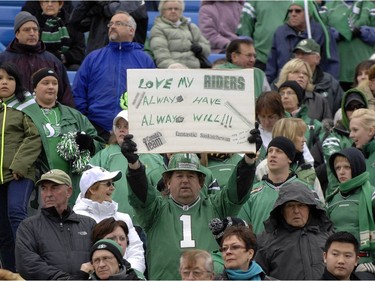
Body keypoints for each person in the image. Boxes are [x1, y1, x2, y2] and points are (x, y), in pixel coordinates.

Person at [121, 130, 261, 280]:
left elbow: (236, 191)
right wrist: (134, 164)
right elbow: (141, 194)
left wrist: (249, 159)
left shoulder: (216, 206)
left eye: (191, 176)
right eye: (179, 176)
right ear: (168, 182)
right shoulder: (156, 211)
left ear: (201, 183)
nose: (185, 180)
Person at [19, 68, 105, 206]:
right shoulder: (24, 115)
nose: (51, 87)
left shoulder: (74, 116)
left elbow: (100, 146)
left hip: (71, 184)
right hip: (37, 184)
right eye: (45, 83)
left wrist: (89, 143)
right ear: (34, 87)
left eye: (54, 83)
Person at [73, 11, 155, 142]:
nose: (112, 26)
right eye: (110, 24)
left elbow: (152, 96)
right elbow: (79, 93)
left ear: (131, 30)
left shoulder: (145, 60)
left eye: (118, 23)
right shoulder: (93, 58)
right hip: (96, 129)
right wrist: (86, 122)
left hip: (134, 130)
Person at [15, 169, 96, 280]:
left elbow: (103, 256)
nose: (48, 194)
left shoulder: (89, 224)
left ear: (69, 192)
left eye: (54, 188)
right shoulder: (28, 227)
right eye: (44, 188)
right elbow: (28, 265)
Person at [0, 62, 41, 272]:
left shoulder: (26, 106)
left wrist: (19, 165)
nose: (4, 82)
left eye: (10, 78)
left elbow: (34, 137)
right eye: (0, 78)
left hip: (19, 174)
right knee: (3, 231)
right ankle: (10, 273)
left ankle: (28, 267)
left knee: (16, 213)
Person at [90, 110, 165, 218]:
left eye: (126, 126)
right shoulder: (104, 155)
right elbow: (90, 185)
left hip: (144, 223)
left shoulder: (152, 157)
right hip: (112, 222)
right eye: (118, 126)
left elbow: (163, 192)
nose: (122, 129)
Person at [73, 165, 145, 273]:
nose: (112, 188)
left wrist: (129, 274)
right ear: (92, 189)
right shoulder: (76, 218)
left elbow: (136, 250)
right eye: (108, 184)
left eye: (113, 183)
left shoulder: (124, 218)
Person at [255, 181, 334, 280]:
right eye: (290, 206)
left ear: (310, 208)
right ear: (281, 210)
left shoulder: (329, 237)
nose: (296, 211)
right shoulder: (266, 242)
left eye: (301, 205)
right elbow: (257, 276)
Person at [238, 136, 316, 234]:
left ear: (290, 158)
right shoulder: (252, 192)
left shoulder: (305, 189)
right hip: (262, 248)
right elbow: (243, 231)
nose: (273, 155)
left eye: (279, 151)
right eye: (270, 151)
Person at [0, 11, 74, 107]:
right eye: (27, 30)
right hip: (11, 115)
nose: (32, 33)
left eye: (35, 30)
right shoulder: (3, 60)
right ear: (17, 34)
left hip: (46, 116)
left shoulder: (53, 61)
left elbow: (65, 95)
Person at [265, 1, 339, 84]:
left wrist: (328, 86)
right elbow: (271, 64)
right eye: (290, 11)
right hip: (284, 85)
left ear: (309, 13)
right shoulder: (280, 32)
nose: (293, 14)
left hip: (313, 85)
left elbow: (331, 64)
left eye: (298, 11)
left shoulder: (322, 32)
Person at [256, 117, 324, 202]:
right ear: (288, 136)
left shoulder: (307, 167)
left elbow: (320, 202)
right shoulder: (264, 167)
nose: (304, 140)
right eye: (300, 135)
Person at [327, 147, 375, 265]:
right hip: (337, 264)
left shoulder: (372, 195)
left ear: (357, 167)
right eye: (338, 168)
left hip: (366, 262)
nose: (341, 172)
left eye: (347, 167)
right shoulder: (331, 199)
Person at [320, 1, 375, 91]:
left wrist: (361, 31)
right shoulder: (328, 7)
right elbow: (320, 31)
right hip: (337, 73)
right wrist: (338, 34)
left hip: (364, 73)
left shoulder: (370, 6)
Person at [322, 88, 368, 197]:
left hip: (367, 194)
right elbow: (337, 159)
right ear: (343, 110)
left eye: (359, 106)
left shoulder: (372, 137)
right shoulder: (331, 139)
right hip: (338, 195)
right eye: (350, 107)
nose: (355, 110)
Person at [22, 0, 85, 71]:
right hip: (39, 64)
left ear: (60, 4)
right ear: (41, 4)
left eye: (53, 1)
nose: (49, 4)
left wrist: (62, 57)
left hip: (66, 64)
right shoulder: (32, 24)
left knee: (76, 69)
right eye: (46, 1)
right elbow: (28, 49)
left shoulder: (72, 23)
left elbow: (79, 52)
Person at [149, 0, 211, 68]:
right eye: (169, 9)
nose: (173, 11)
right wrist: (174, 66)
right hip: (173, 70)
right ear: (162, 11)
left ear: (181, 11)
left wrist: (201, 48)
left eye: (176, 9)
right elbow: (161, 54)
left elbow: (207, 48)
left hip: (195, 69)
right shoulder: (158, 29)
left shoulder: (191, 27)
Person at [70, 1, 148, 55]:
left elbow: (119, 11)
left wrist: (102, 5)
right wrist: (87, 3)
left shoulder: (135, 3)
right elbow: (76, 23)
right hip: (96, 59)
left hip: (126, 59)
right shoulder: (96, 5)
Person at [236, 0, 292, 71]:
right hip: (259, 58)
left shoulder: (293, 2)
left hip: (286, 59)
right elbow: (244, 30)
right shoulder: (253, 2)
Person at [293, 38, 344, 114]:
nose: (300, 57)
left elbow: (341, 109)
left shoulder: (330, 83)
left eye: (305, 54)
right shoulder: (284, 80)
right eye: (297, 54)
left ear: (317, 58)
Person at [274, 58, 333, 122]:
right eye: (296, 72)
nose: (301, 76)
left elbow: (328, 126)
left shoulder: (320, 100)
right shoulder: (276, 98)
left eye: (305, 74)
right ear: (286, 75)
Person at [277, 80, 323, 150]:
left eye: (290, 93)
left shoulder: (315, 125)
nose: (285, 96)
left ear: (298, 98)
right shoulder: (275, 122)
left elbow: (319, 150)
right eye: (282, 94)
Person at [349, 108, 375, 186]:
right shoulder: (359, 156)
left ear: (370, 131)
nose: (351, 135)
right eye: (350, 130)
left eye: (355, 130)